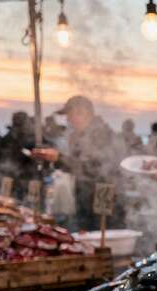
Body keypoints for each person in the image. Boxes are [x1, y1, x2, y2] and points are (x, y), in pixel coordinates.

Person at [30, 96, 119, 229]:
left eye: (69, 114)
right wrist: (52, 160)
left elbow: (93, 168)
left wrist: (59, 158)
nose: (67, 120)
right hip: (85, 199)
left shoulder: (102, 135)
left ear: (83, 112)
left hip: (103, 203)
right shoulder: (79, 136)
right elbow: (76, 166)